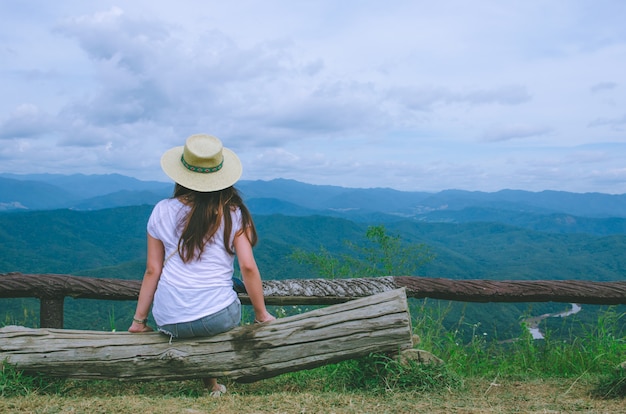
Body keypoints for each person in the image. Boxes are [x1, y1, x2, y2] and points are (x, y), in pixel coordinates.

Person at [128, 133, 275, 397]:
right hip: (218, 317)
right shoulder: (234, 214)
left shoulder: (161, 209)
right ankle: (216, 380)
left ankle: (212, 386)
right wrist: (261, 315)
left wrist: (139, 321)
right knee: (219, 293)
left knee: (198, 304)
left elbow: (153, 270)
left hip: (169, 318)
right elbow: (249, 268)